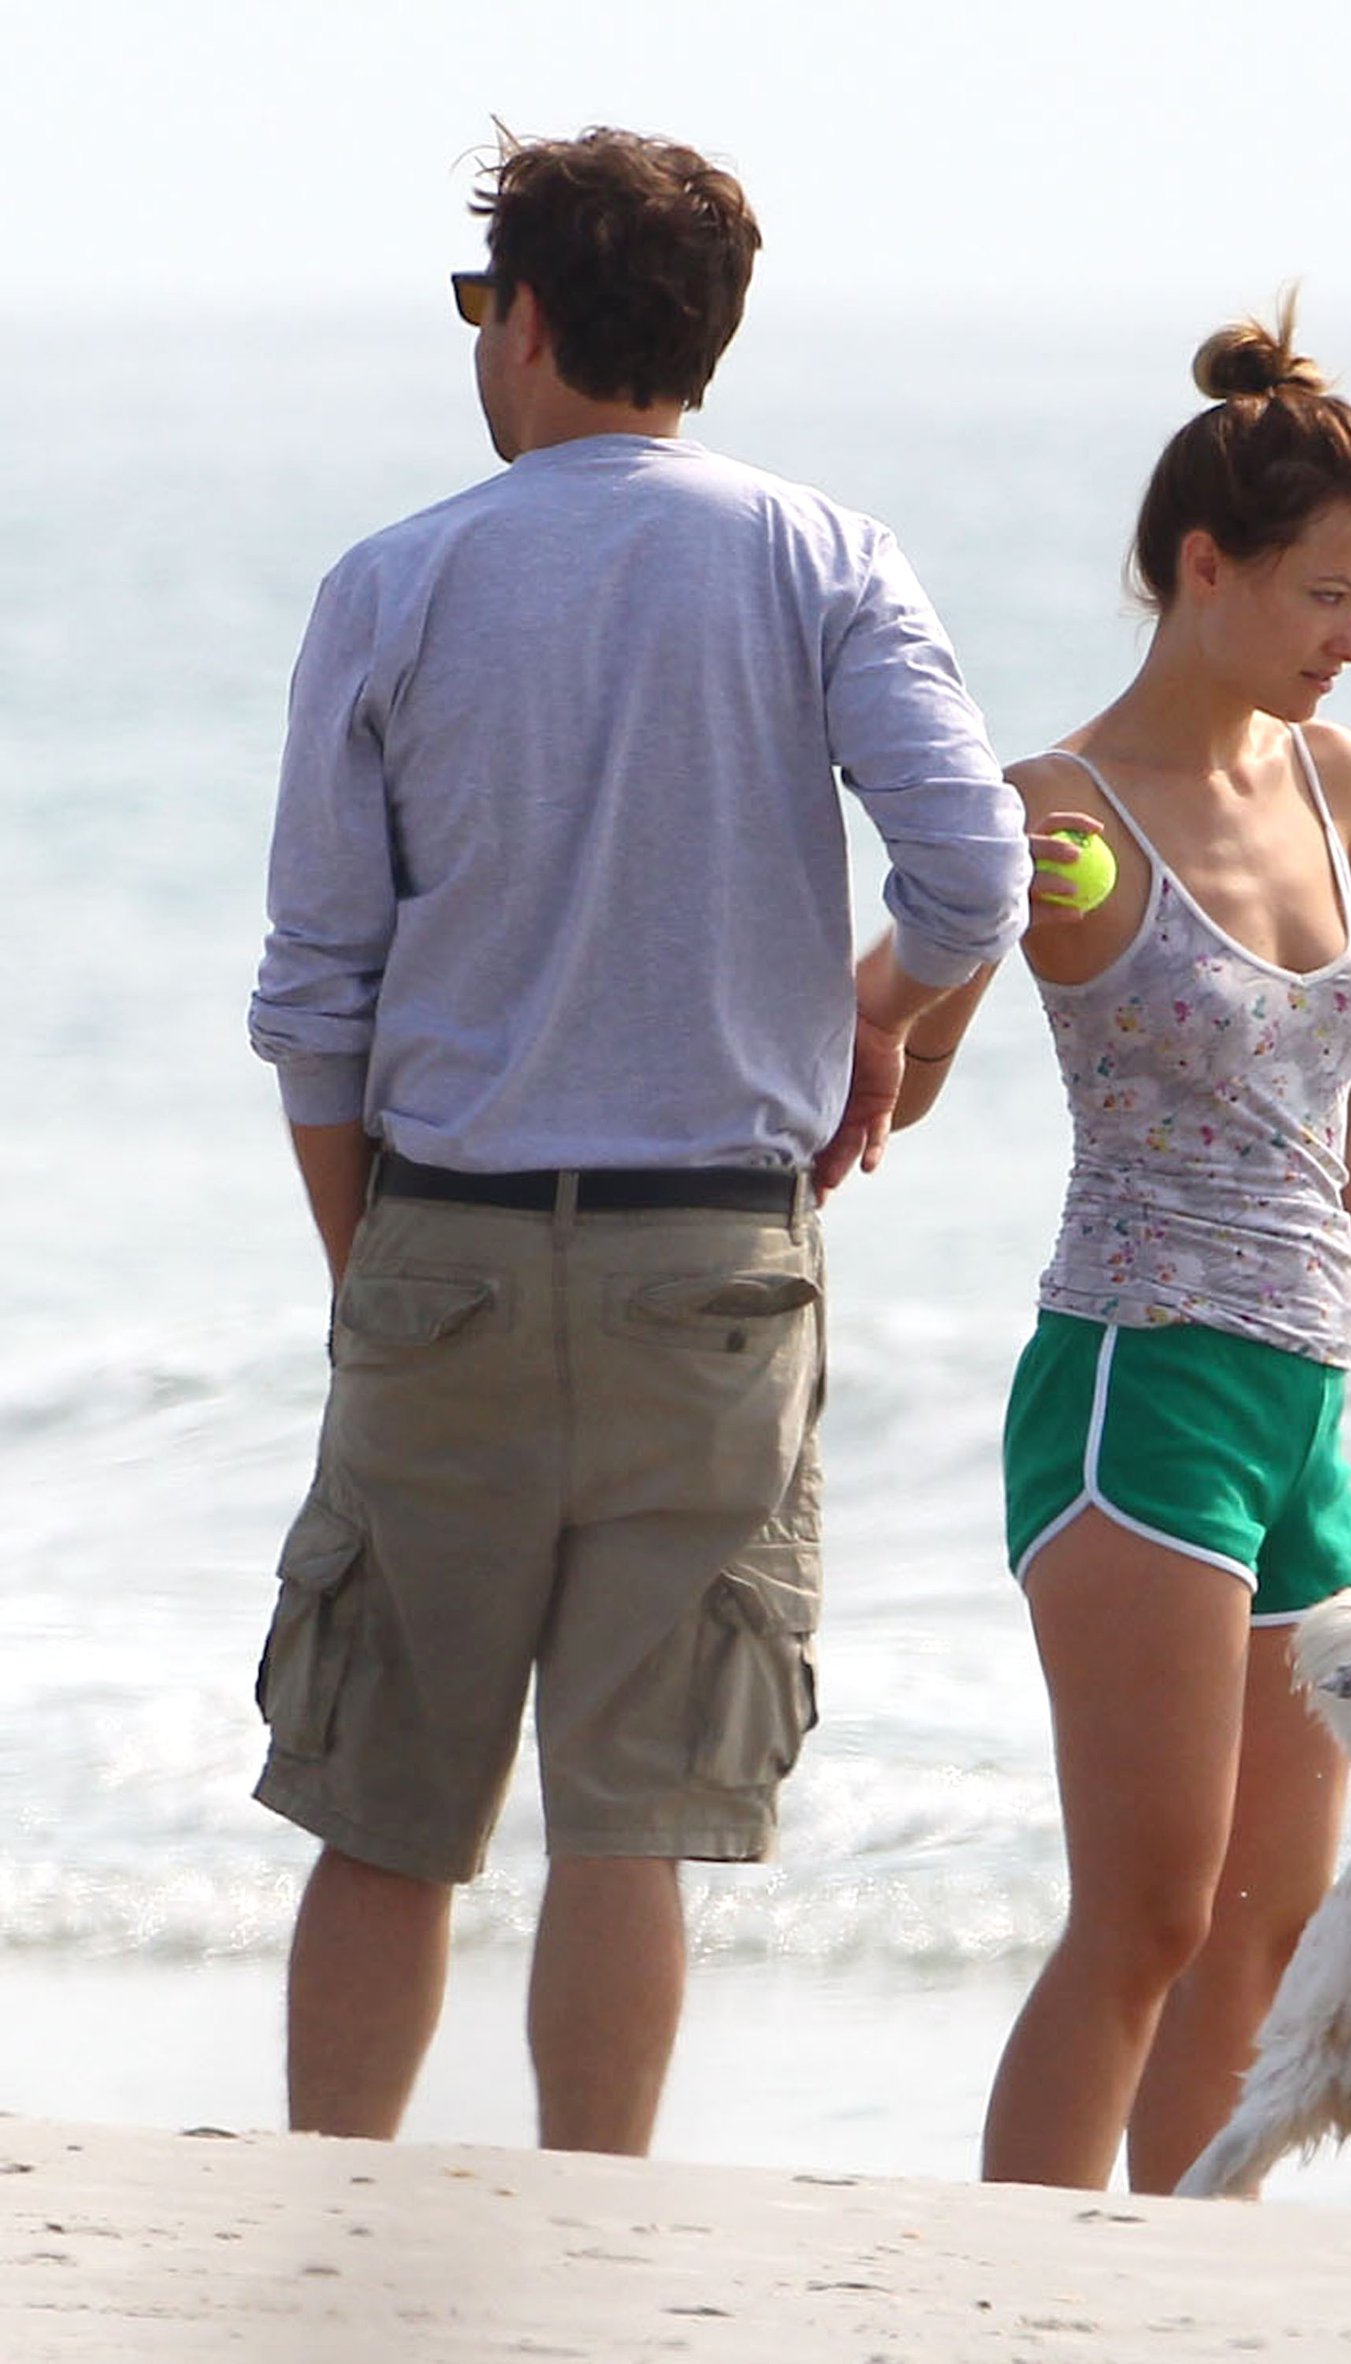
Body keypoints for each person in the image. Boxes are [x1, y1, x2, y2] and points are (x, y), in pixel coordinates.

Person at [245, 126, 1031, 2156]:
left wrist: (372, 1267)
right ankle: (591, 2239)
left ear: (523, 317)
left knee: (386, 1807)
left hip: (447, 1238)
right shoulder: (822, 553)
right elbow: (972, 866)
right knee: (626, 1825)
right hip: (714, 1258)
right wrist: (887, 1016)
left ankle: (336, 2224)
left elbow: (315, 991)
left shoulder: (395, 577)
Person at [871, 297, 1351, 2192]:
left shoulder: (1333, 787)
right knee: (1147, 1923)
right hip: (1135, 1388)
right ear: (1207, 569)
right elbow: (898, 1052)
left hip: (1299, 1401)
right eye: (1325, 599)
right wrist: (929, 968)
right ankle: (1017, 2287)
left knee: (1268, 1932)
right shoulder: (1057, 817)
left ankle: (1182, 2289)